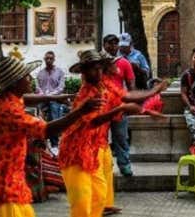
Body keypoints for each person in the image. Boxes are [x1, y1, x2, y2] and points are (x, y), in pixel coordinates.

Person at [0, 56, 103, 217]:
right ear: (15, 83)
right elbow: (47, 130)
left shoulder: (7, 97)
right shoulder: (8, 110)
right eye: (26, 76)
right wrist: (80, 111)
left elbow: (26, 99)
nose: (30, 79)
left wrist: (54, 97)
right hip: (1, 179)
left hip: (10, 176)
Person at [59, 50, 168, 217]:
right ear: (84, 71)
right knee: (82, 204)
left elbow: (125, 99)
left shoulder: (103, 87)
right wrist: (151, 94)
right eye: (93, 68)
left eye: (100, 67)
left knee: (99, 196)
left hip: (90, 150)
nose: (99, 71)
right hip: (75, 152)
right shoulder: (86, 94)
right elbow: (94, 121)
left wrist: (146, 110)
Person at [103, 34, 137, 178]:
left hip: (119, 106)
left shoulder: (124, 63)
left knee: (121, 137)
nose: (113, 46)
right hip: (102, 106)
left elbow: (131, 84)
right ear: (104, 45)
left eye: (115, 44)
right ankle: (103, 165)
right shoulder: (98, 63)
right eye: (110, 43)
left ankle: (124, 165)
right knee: (101, 138)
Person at [36, 51, 67, 148]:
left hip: (54, 99)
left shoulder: (60, 72)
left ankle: (54, 145)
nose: (49, 60)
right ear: (44, 59)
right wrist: (43, 94)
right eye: (47, 58)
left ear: (54, 59)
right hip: (42, 99)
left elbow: (61, 87)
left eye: (51, 58)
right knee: (37, 118)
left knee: (54, 119)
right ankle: (41, 143)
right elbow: (37, 87)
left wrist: (50, 95)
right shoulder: (40, 73)